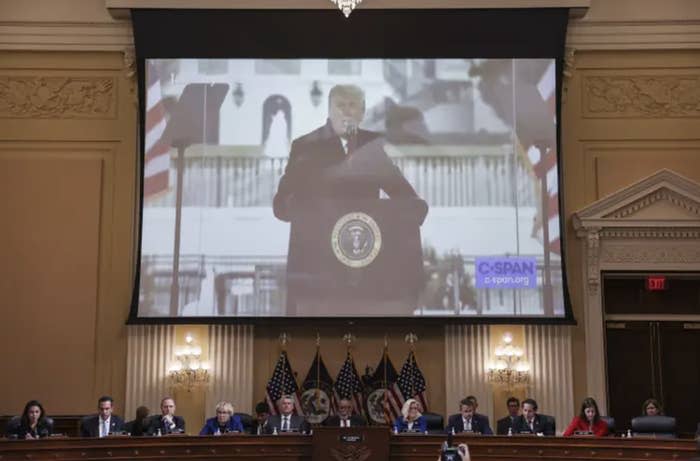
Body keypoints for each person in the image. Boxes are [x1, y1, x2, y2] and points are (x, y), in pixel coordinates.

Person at [272, 84, 428, 315]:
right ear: (329, 110)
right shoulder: (305, 146)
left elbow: (407, 199)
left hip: (361, 276)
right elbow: (281, 206)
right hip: (318, 274)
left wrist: (415, 209)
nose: (346, 111)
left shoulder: (372, 149)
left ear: (362, 113)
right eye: (340, 105)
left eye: (352, 105)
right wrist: (302, 207)